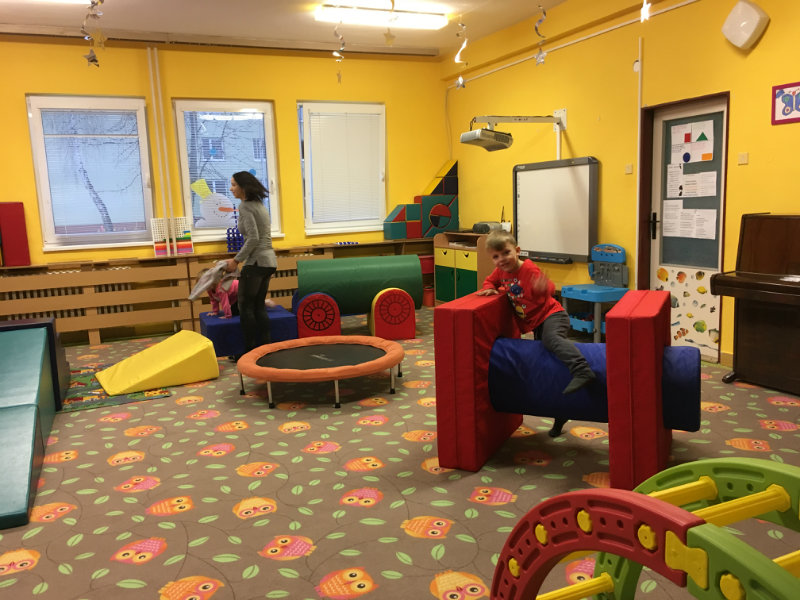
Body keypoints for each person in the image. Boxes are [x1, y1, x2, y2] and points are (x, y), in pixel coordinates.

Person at [476, 230, 596, 437]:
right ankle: (560, 414)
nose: (501, 259)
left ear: (517, 250)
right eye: (495, 256)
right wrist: (490, 288)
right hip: (536, 323)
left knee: (551, 340)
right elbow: (490, 280)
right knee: (548, 367)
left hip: (553, 315)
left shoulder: (528, 268)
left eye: (506, 253)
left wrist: (542, 287)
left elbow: (548, 288)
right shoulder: (501, 272)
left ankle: (582, 369)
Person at [224, 171, 277, 357]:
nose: (231, 188)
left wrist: (236, 260)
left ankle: (250, 353)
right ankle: (266, 350)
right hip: (269, 261)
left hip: (256, 262)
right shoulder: (259, 204)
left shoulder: (245, 206)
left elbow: (253, 238)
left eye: (234, 185)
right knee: (258, 306)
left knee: (245, 307)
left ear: (243, 187)